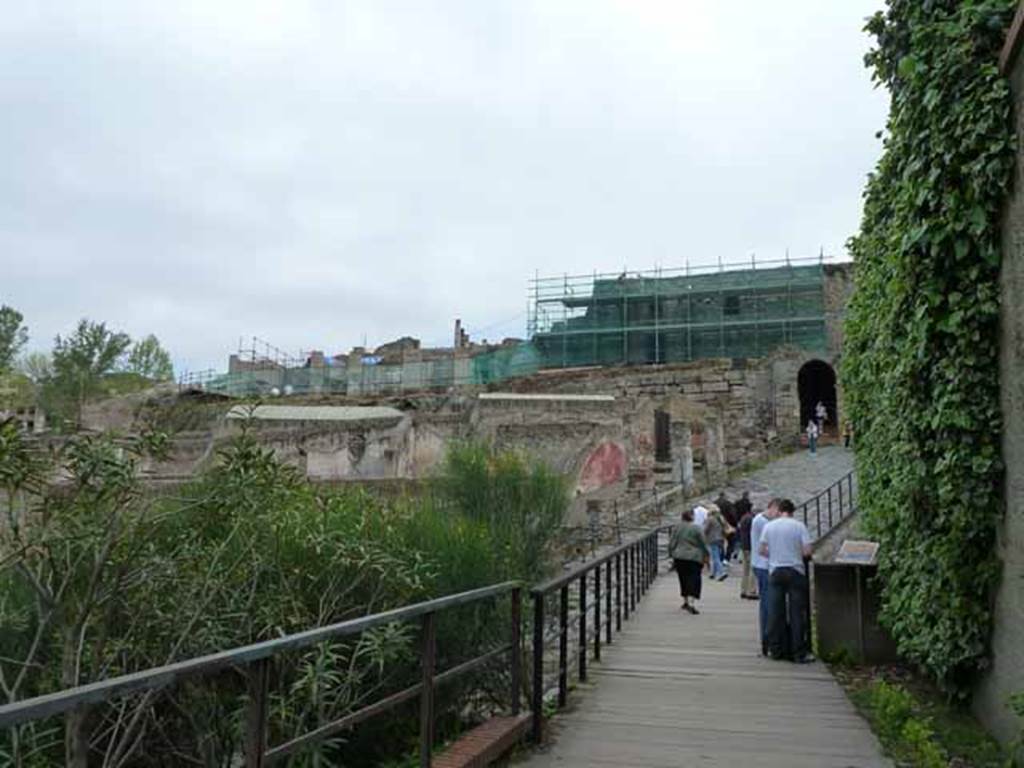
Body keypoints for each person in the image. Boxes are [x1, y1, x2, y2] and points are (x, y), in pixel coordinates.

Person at [759, 498, 814, 663]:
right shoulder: (799, 526)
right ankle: (798, 652)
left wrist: (775, 555)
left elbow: (762, 550)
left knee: (776, 612)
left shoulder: (769, 526)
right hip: (795, 570)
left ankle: (776, 649)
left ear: (780, 510)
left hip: (775, 571)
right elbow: (807, 551)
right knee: (797, 613)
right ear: (792, 511)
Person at [750, 499, 781, 655]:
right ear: (773, 508)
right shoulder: (763, 522)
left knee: (767, 604)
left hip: (760, 565)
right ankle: (768, 641)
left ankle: (768, 640)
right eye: (778, 513)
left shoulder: (761, 521)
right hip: (763, 566)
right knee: (769, 605)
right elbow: (768, 545)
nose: (779, 517)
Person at [669, 508, 709, 614]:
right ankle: (691, 602)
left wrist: (671, 553)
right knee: (694, 578)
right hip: (694, 557)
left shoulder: (677, 528)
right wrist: (706, 554)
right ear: (692, 517)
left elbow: (672, 542)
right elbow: (703, 543)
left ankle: (685, 600)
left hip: (679, 556)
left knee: (683, 578)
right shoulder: (697, 528)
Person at [703, 503, 728, 581]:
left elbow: (705, 529)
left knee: (715, 557)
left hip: (712, 539)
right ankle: (713, 573)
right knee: (716, 555)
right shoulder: (721, 518)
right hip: (721, 539)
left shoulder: (710, 519)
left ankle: (722, 572)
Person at [739, 503, 758, 600]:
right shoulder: (752, 520)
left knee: (745, 570)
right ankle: (752, 590)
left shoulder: (743, 518)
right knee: (752, 569)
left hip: (744, 546)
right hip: (750, 546)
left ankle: (743, 589)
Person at [716, 491, 740, 562]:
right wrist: (735, 524)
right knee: (731, 542)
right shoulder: (728, 504)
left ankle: (721, 557)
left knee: (720, 543)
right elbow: (733, 514)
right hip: (728, 526)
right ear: (725, 496)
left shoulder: (714, 503)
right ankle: (727, 558)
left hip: (717, 526)